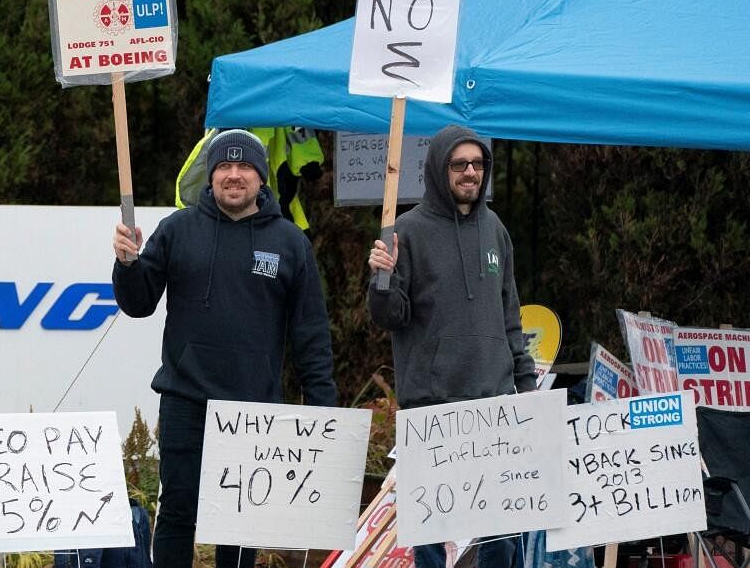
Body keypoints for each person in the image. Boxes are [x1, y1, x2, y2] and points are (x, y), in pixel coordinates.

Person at [112, 128, 337, 568]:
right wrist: (126, 264)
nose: (234, 176)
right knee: (179, 511)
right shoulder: (176, 230)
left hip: (254, 409)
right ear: (211, 175)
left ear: (261, 176)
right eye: (224, 167)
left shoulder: (290, 242)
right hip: (186, 401)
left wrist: (322, 407)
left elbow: (311, 333)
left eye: (245, 167)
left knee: (241, 523)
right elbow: (137, 303)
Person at [366, 124, 536, 568]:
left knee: (500, 535)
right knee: (432, 538)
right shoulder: (405, 231)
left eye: (477, 164)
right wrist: (381, 279)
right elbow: (390, 317)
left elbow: (510, 314)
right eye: (459, 164)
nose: (469, 172)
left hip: (494, 402)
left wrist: (527, 385)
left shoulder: (496, 229)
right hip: (432, 407)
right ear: (439, 169)